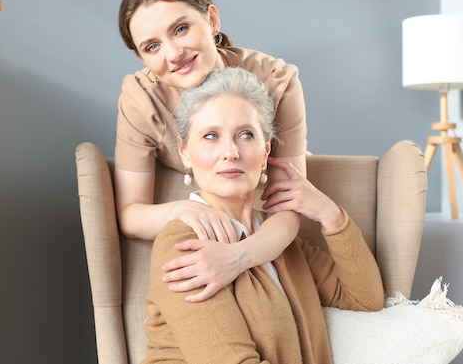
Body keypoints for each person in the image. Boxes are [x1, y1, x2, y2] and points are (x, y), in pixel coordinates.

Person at [143, 67, 384, 364]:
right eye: (210, 136)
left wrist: (330, 215)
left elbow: (366, 299)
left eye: (246, 134)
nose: (230, 152)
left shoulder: (280, 241)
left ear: (265, 150)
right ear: (185, 153)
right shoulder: (182, 244)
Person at [115, 0, 307, 302]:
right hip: (200, 207)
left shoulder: (275, 80)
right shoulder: (141, 98)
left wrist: (237, 258)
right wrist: (180, 210)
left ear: (212, 19)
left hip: (259, 212)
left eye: (181, 29)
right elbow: (131, 214)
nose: (173, 53)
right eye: (152, 46)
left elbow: (288, 208)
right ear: (142, 57)